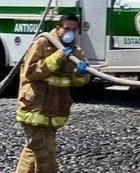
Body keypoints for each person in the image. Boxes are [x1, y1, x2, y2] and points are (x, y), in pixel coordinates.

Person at [14, 13, 91, 173]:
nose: (70, 32)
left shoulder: (75, 52)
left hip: (54, 111)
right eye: (66, 28)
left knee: (32, 151)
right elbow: (31, 72)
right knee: (45, 154)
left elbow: (78, 82)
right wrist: (58, 57)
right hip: (34, 110)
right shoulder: (43, 43)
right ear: (58, 28)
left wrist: (80, 74)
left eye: (74, 30)